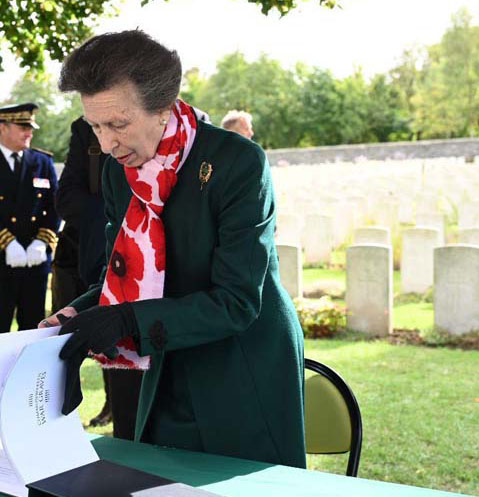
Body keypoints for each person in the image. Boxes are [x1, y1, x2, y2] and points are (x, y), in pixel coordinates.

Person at [43, 30, 305, 468]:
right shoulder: (115, 172)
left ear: (164, 109)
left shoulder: (237, 163)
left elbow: (237, 302)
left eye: (118, 125)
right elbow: (120, 275)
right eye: (95, 127)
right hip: (162, 363)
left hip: (240, 366)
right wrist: (77, 314)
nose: (106, 144)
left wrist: (125, 318)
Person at [54, 116, 144, 436]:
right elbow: (67, 198)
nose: (106, 143)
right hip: (99, 260)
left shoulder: (198, 130)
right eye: (97, 131)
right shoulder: (85, 131)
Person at [0, 103, 60, 346]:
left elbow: (56, 207)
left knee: (34, 333)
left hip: (35, 262)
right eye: (23, 127)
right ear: (3, 127)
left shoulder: (43, 161)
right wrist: (7, 243)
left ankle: (31, 385)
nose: (29, 133)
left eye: (31, 127)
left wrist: (42, 241)